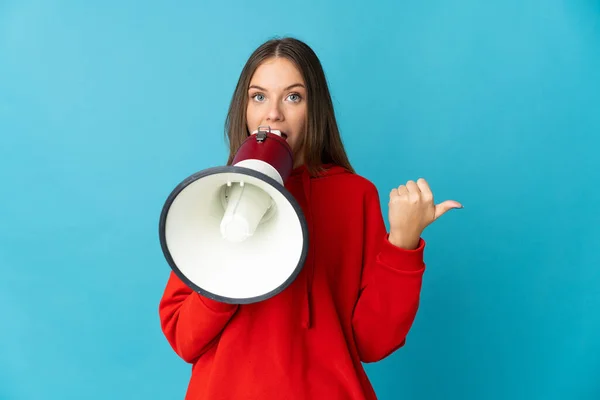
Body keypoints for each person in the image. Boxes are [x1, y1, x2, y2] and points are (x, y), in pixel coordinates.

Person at [158, 36, 462, 399]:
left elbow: (373, 343)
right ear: (244, 109)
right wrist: (229, 268)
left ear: (314, 109)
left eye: (293, 96)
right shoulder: (212, 195)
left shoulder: (355, 195)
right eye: (259, 96)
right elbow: (184, 337)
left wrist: (403, 243)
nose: (273, 113)